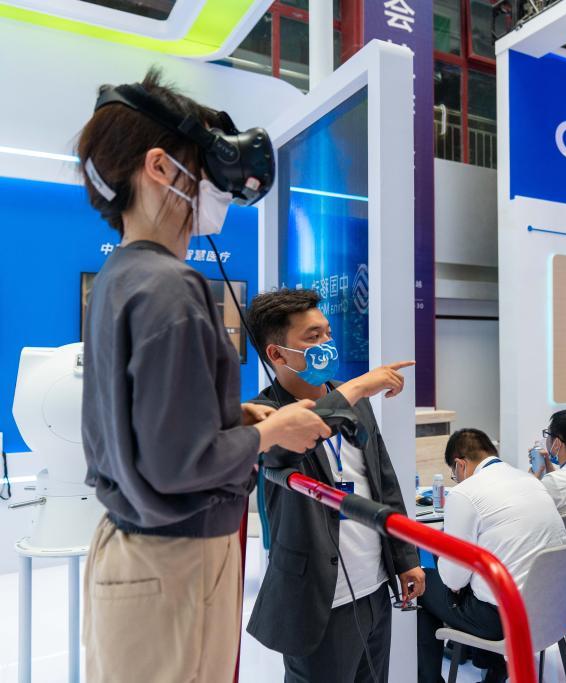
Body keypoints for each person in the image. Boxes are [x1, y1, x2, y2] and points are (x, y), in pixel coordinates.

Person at [78, 69, 330, 683]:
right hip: (174, 567)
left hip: (137, 555)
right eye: (201, 165)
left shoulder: (121, 279)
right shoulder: (171, 287)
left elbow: (143, 426)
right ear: (159, 167)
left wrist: (234, 417)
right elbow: (178, 465)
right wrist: (270, 434)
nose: (215, 185)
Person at [244, 288, 425, 682]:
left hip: (374, 586)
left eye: (327, 333)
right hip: (317, 601)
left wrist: (405, 558)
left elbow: (384, 482)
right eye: (313, 337)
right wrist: (357, 387)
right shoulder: (264, 416)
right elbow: (286, 448)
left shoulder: (353, 400)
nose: (327, 343)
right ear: (277, 354)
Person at [418, 429, 566, 683]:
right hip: (553, 608)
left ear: (460, 464)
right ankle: (491, 665)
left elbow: (453, 580)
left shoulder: (465, 494)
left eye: (454, 475)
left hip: (502, 619)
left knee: (421, 583)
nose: (457, 480)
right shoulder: (529, 480)